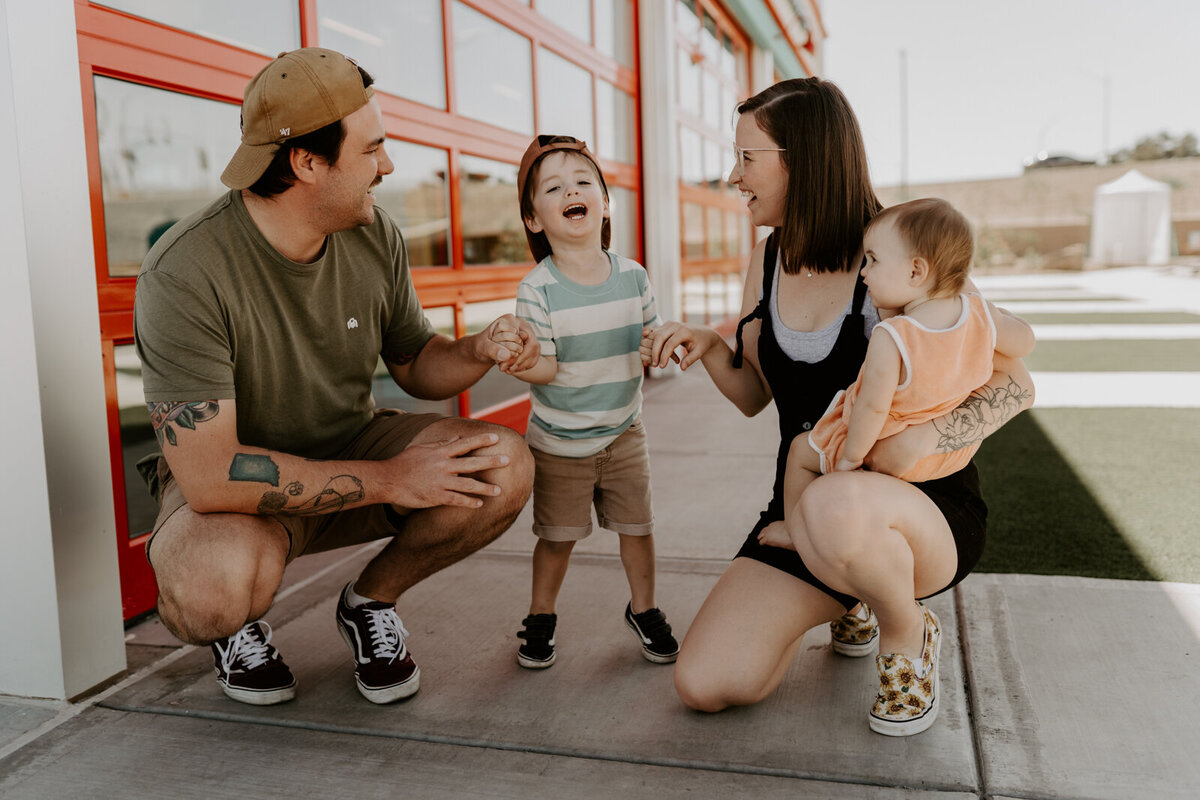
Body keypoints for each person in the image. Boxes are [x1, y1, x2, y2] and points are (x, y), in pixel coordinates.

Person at [133, 48, 537, 707]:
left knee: (501, 464)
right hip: (239, 487)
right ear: (307, 163)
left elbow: (414, 363)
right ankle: (237, 630)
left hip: (351, 442)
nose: (389, 166)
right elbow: (211, 474)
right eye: (373, 149)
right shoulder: (185, 270)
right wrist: (394, 480)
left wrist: (479, 348)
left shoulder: (374, 233)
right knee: (211, 594)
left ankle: (370, 603)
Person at [641, 78, 1035, 737]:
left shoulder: (896, 251)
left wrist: (924, 439)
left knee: (840, 504)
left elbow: (1017, 383)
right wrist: (711, 347)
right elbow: (752, 397)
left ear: (807, 159)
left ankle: (905, 626)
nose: (733, 178)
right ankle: (845, 589)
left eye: (746, 159)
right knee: (706, 683)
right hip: (807, 510)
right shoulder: (765, 259)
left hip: (917, 513)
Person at [761, 197, 1036, 554]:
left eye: (872, 261)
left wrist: (849, 460)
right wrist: (996, 317)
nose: (864, 272)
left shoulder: (893, 336)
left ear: (916, 272)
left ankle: (797, 532)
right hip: (948, 458)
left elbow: (872, 409)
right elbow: (1024, 342)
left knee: (801, 451)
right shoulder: (980, 314)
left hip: (884, 447)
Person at [505, 135, 679, 670]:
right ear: (534, 219)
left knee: (638, 530)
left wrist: (663, 345)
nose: (571, 191)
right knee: (557, 538)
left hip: (625, 432)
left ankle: (644, 608)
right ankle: (541, 615)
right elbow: (547, 366)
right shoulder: (538, 289)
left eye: (583, 182)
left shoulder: (633, 276)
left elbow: (649, 344)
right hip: (559, 442)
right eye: (553, 187)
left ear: (605, 203)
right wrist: (519, 360)